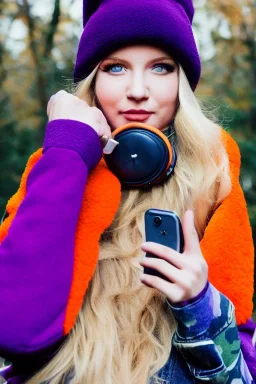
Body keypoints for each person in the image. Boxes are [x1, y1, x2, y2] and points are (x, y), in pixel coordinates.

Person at [0, 0, 255, 383]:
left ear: (181, 82)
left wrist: (200, 304)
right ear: (93, 81)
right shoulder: (56, 164)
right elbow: (14, 329)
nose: (138, 90)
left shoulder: (212, 176)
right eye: (115, 67)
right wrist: (68, 154)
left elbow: (242, 375)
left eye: (161, 67)